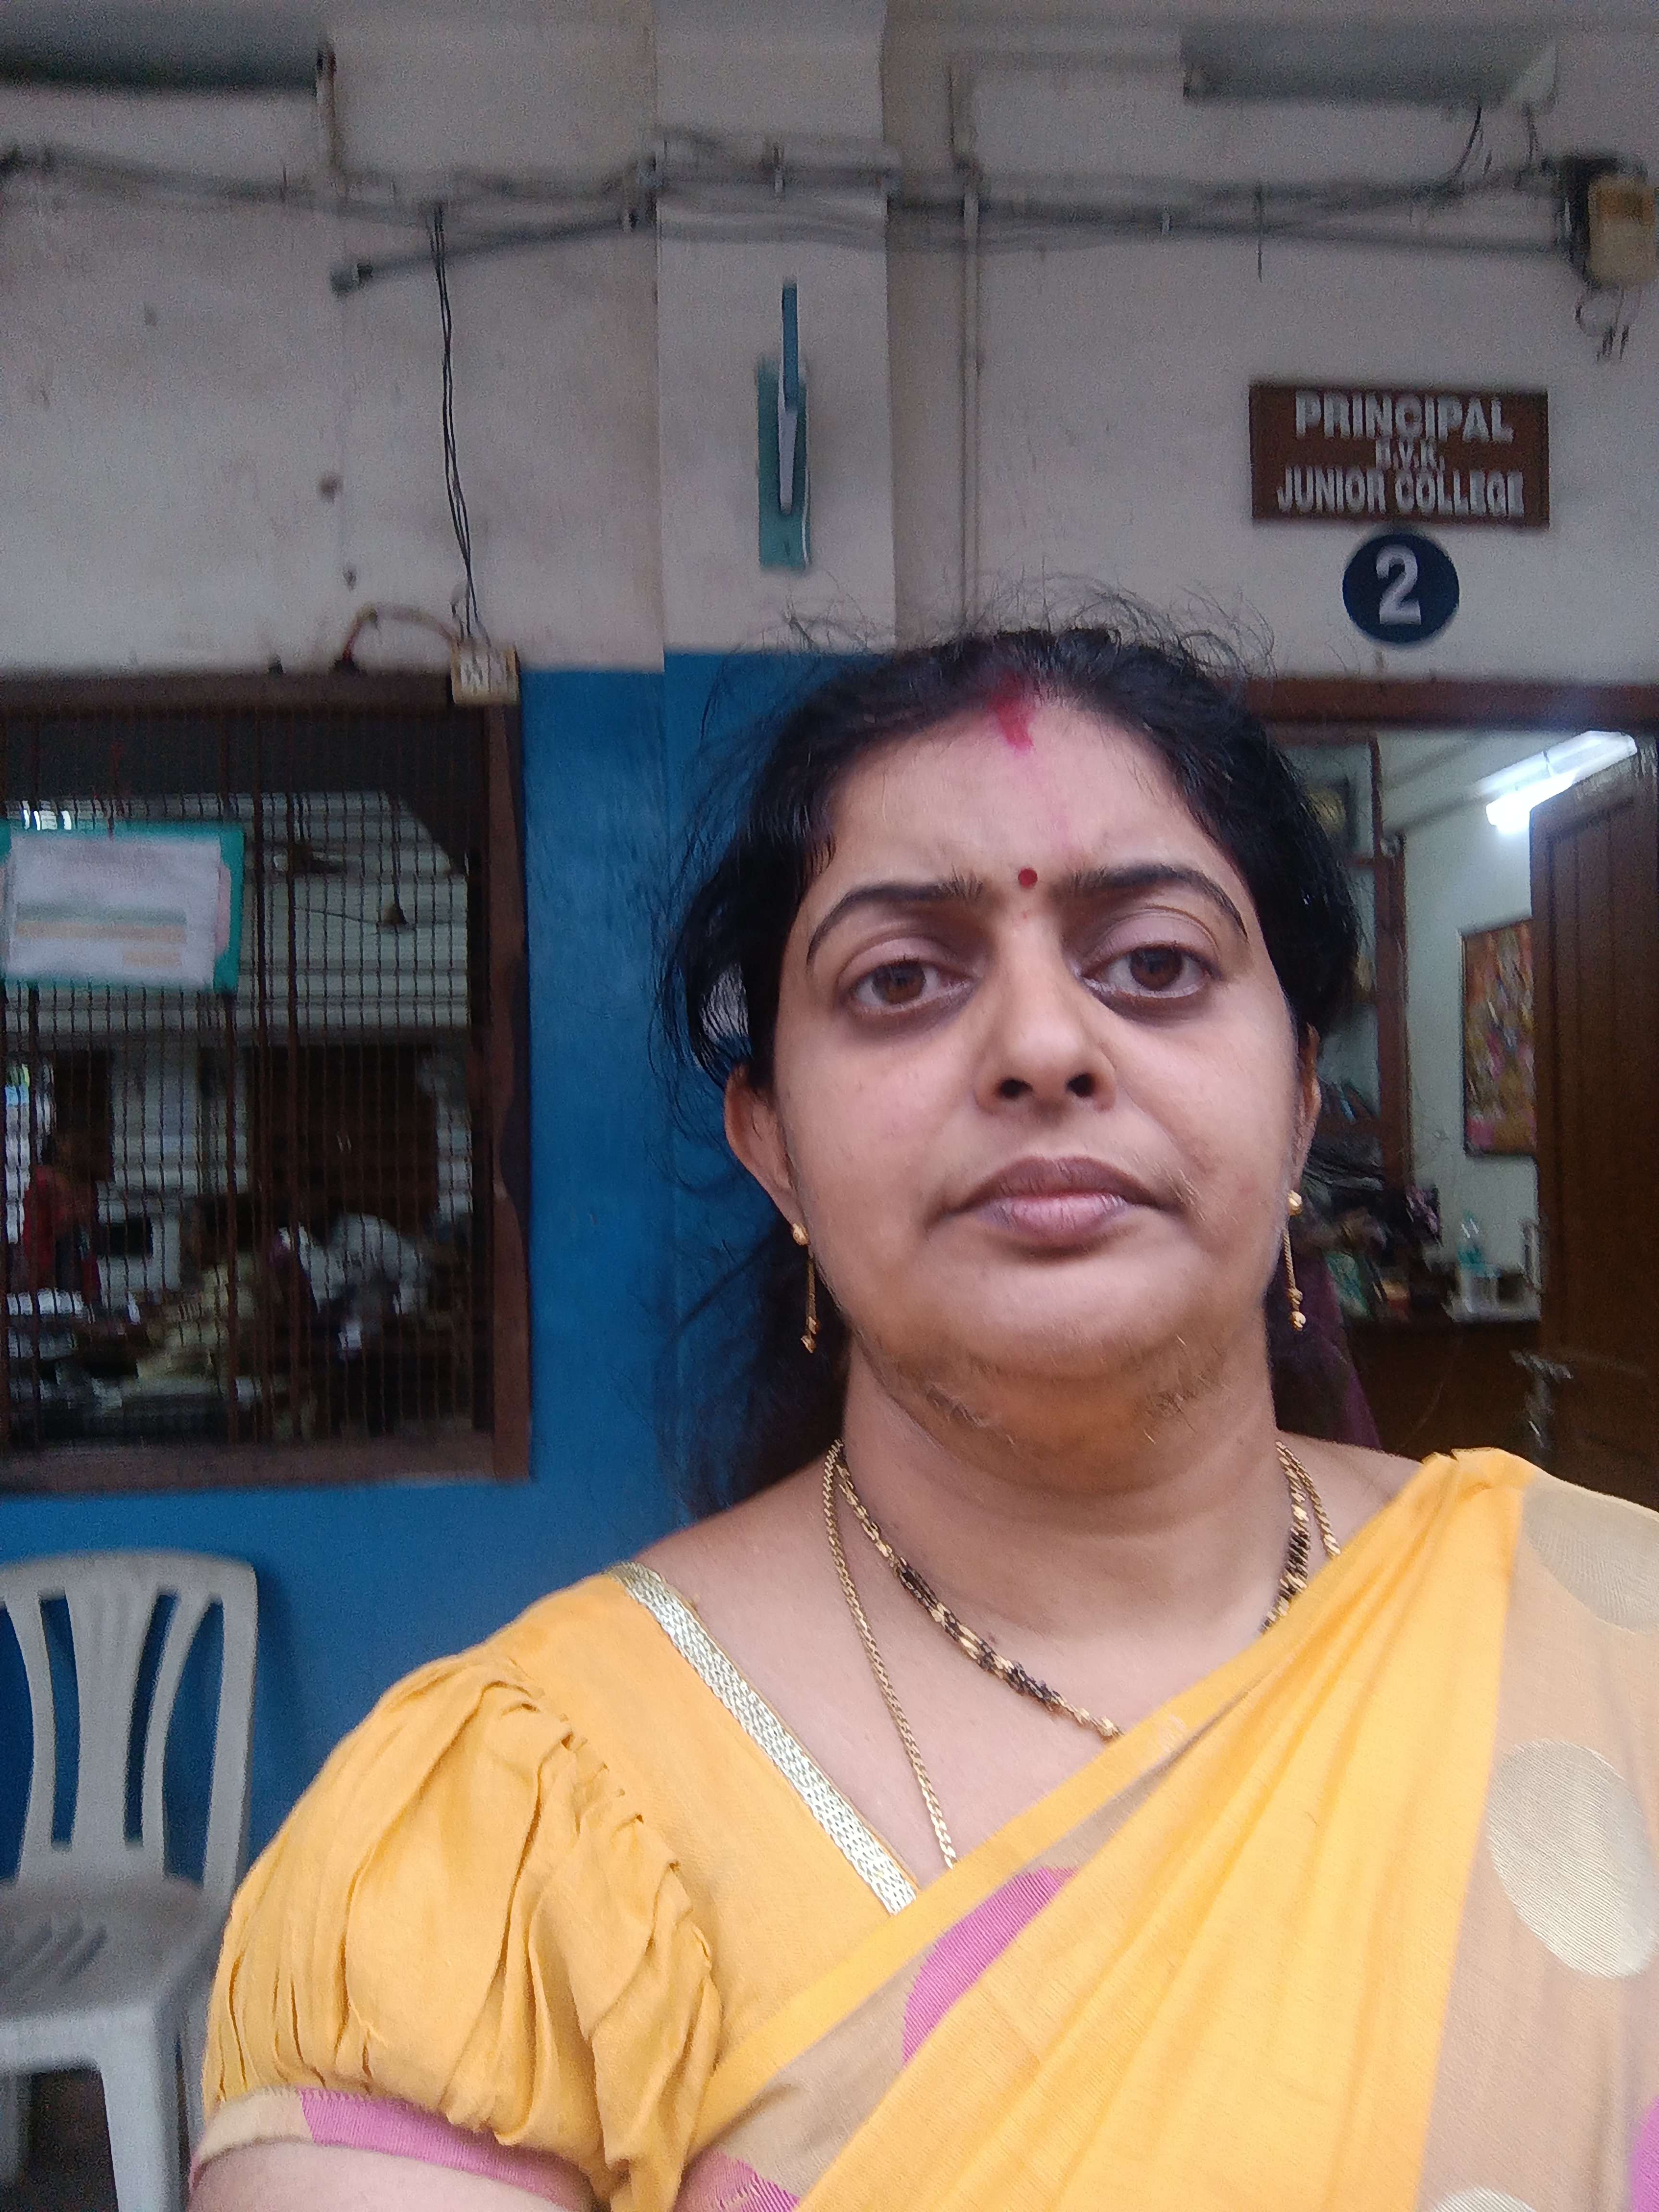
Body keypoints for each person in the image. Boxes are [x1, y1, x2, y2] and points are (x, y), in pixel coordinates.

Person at [192, 624, 1659, 2212]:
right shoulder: (514, 1851)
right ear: (772, 1143)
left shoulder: (1612, 1636)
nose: (1042, 1047)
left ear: (1300, 1096)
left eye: (1155, 963)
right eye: (900, 979)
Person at [19, 1127, 101, 1305]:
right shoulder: (45, 1181)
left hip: (76, 1259)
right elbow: (38, 1232)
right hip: (53, 1261)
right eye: (70, 1140)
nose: (79, 1146)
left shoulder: (80, 1181)